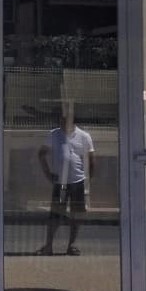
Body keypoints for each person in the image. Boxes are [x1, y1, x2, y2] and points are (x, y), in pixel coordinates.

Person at [36, 100, 94, 256]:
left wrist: (88, 180)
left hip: (77, 181)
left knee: (77, 214)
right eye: (60, 119)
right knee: (55, 214)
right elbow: (42, 154)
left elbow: (91, 158)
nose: (62, 122)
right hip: (60, 182)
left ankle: (72, 245)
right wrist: (48, 174)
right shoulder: (54, 135)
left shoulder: (83, 136)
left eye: (65, 119)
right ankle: (49, 245)